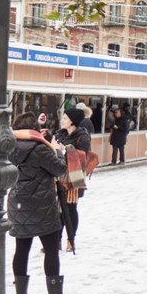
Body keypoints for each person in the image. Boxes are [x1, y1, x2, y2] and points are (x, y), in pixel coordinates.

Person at [7, 111, 78, 294]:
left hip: (17, 203)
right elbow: (59, 169)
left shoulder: (10, 148)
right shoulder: (40, 149)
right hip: (41, 205)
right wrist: (57, 150)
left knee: (21, 249)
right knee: (50, 247)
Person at [59, 107, 90, 254]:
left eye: (65, 118)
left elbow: (83, 156)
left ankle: (71, 240)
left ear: (72, 122)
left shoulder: (82, 136)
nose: (62, 120)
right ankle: (55, 240)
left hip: (73, 180)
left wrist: (65, 150)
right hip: (59, 177)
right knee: (57, 211)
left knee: (70, 210)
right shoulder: (61, 135)